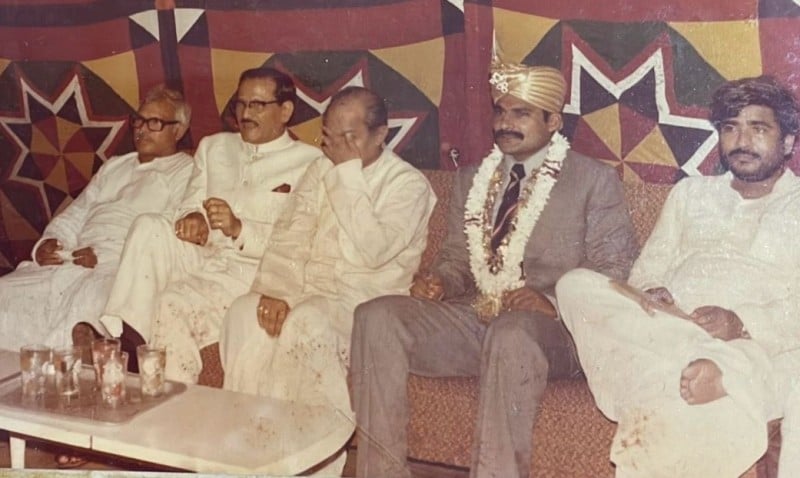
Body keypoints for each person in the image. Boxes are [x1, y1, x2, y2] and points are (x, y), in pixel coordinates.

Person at [349, 60, 639, 478]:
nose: (505, 123)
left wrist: (552, 302)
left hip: (557, 330)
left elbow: (614, 267)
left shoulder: (593, 180)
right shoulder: (472, 178)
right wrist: (440, 281)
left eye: (521, 113)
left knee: (512, 332)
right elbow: (456, 257)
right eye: (500, 111)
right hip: (477, 316)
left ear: (553, 121)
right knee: (375, 316)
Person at [556, 75, 800, 478]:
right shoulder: (691, 194)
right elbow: (646, 271)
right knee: (574, 285)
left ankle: (700, 370)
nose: (741, 141)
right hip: (671, 327)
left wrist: (740, 323)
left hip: (749, 342)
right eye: (730, 128)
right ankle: (709, 366)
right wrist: (655, 293)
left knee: (666, 409)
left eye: (758, 129)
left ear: (788, 142)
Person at [220, 86, 436, 475]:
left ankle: (309, 465)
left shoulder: (408, 184)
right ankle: (246, 456)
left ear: (381, 134)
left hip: (364, 303)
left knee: (308, 322)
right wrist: (278, 292)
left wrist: (347, 174)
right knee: (244, 313)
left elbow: (372, 251)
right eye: (329, 136)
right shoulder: (319, 168)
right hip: (307, 292)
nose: (335, 147)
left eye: (349, 137)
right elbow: (291, 234)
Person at [85, 67, 320, 380]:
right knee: (148, 226)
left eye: (257, 105)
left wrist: (239, 229)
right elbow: (189, 203)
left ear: (286, 111)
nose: (245, 113)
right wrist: (193, 218)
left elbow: (301, 243)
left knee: (172, 301)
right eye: (240, 103)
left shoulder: (310, 163)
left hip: (252, 270)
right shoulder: (214, 147)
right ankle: (126, 337)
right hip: (203, 254)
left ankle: (166, 384)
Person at [0, 85, 193, 352]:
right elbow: (78, 212)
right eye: (139, 121)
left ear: (178, 130)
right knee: (5, 292)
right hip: (71, 260)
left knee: (90, 308)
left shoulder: (186, 171)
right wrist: (49, 243)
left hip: (120, 270)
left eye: (154, 123)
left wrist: (103, 257)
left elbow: (165, 237)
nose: (142, 129)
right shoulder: (115, 165)